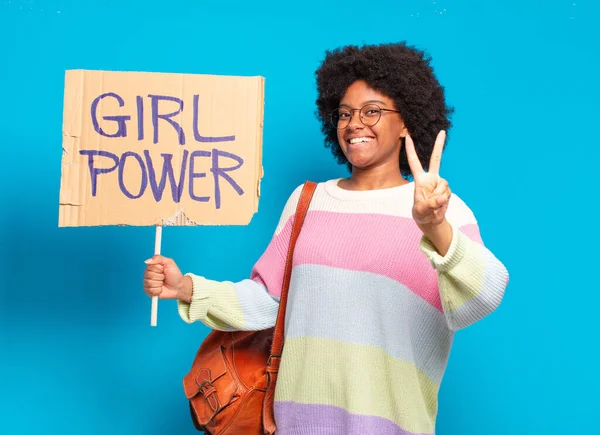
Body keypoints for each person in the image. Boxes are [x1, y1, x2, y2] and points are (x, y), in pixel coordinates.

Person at [143, 42, 509, 435]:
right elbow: (269, 302)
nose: (354, 124)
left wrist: (434, 226)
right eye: (345, 113)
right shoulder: (308, 201)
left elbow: (484, 296)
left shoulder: (441, 208)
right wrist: (185, 288)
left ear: (406, 121)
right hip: (295, 426)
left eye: (372, 111)